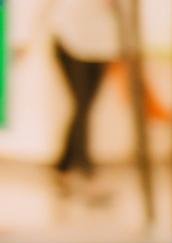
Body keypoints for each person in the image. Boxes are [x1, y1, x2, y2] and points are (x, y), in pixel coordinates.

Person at [11, 0, 124, 195]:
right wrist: (25, 39)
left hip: (102, 44)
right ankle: (83, 170)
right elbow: (42, 5)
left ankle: (64, 166)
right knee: (82, 105)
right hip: (71, 40)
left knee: (86, 107)